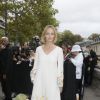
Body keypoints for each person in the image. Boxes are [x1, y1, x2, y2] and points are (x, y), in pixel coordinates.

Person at [30, 25, 64, 100]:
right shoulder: (38, 49)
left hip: (53, 83)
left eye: (52, 34)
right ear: (44, 35)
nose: (50, 36)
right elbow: (35, 67)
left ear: (54, 36)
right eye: (47, 33)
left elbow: (60, 69)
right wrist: (34, 80)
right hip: (39, 82)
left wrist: (60, 84)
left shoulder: (59, 50)